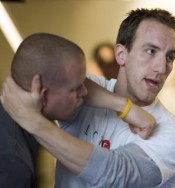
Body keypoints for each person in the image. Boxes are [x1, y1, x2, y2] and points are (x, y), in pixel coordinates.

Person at [2, 8, 175, 187]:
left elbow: (116, 173)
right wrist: (124, 107)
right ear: (121, 54)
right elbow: (29, 75)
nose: (162, 68)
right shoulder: (84, 94)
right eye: (151, 51)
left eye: (170, 57)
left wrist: (34, 122)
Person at [0, 32, 156, 188]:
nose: (85, 92)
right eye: (75, 89)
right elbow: (114, 174)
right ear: (43, 94)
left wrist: (125, 107)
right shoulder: (13, 167)